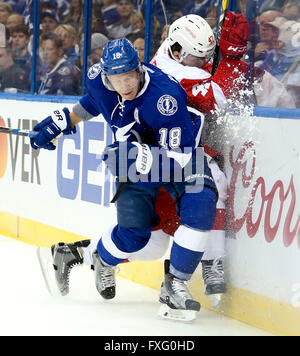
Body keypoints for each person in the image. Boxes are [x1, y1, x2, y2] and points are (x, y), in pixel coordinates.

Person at [31, 37, 218, 321]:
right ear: (106, 75)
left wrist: (143, 157)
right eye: (116, 80)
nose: (124, 86)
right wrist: (64, 121)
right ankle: (94, 258)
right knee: (136, 237)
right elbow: (93, 103)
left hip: (177, 158)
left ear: (140, 69)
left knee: (201, 202)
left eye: (129, 77)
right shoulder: (97, 78)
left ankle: (175, 286)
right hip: (131, 160)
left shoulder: (166, 96)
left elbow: (180, 155)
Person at [150, 12, 250, 300]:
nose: (205, 63)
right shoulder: (175, 75)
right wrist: (230, 57)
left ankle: (210, 262)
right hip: (164, 159)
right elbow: (218, 97)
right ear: (178, 51)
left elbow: (205, 76)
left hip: (178, 153)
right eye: (199, 57)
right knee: (146, 242)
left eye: (207, 56)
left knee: (213, 186)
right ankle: (85, 253)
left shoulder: (173, 55)